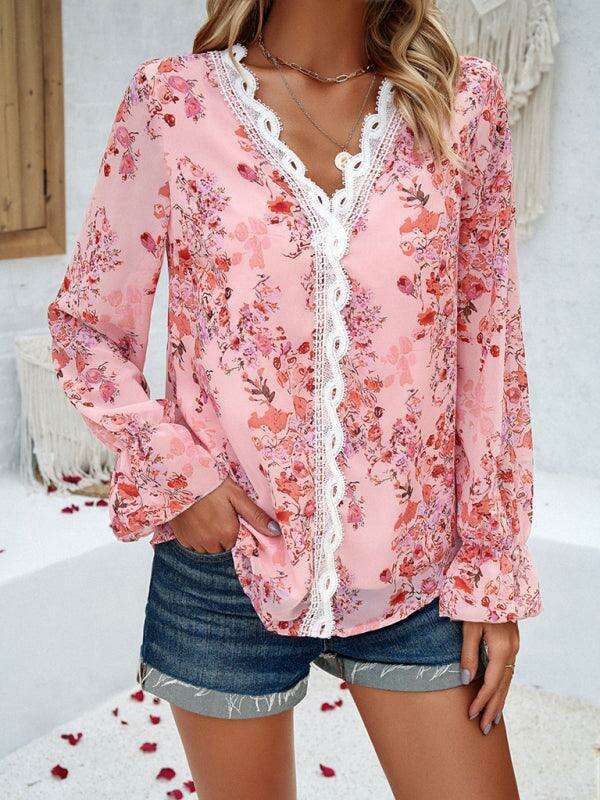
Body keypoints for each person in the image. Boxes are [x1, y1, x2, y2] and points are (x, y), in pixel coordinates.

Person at [48, 1, 542, 797]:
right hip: (224, 569)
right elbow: (87, 329)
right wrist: (181, 476)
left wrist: (493, 565)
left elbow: (488, 349)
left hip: (419, 574)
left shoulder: (460, 102)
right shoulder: (174, 101)